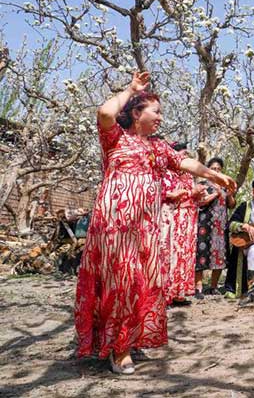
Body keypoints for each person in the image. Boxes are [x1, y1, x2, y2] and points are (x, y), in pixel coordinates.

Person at [74, 71, 235, 375]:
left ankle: (129, 338)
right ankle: (118, 349)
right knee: (121, 281)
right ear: (136, 113)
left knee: (141, 282)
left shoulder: (157, 147)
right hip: (116, 225)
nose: (160, 118)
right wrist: (132, 88)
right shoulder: (115, 139)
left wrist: (215, 176)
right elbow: (105, 112)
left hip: (146, 228)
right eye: (155, 111)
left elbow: (185, 162)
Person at [159, 142, 203, 306]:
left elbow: (192, 197)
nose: (185, 159)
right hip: (175, 218)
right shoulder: (168, 173)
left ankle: (179, 293)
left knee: (185, 256)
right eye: (182, 155)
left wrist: (197, 195)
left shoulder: (188, 176)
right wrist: (190, 193)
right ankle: (166, 294)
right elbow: (166, 194)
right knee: (172, 255)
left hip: (190, 219)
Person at [194, 157, 235, 297]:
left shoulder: (225, 186)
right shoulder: (203, 185)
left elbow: (231, 205)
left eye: (219, 169)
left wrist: (229, 195)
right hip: (205, 224)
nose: (216, 171)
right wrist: (216, 194)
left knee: (220, 255)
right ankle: (198, 287)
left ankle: (213, 286)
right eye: (213, 169)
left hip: (221, 225)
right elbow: (201, 202)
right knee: (201, 254)